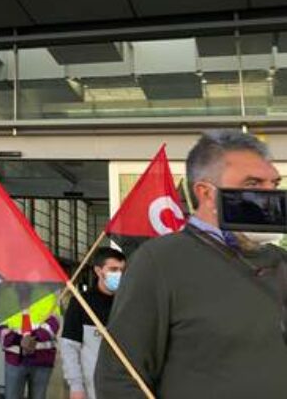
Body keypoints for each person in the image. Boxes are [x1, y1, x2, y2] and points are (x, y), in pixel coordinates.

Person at [96, 130, 287, 398]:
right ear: (206, 193)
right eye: (254, 184)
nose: (270, 197)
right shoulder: (160, 262)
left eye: (274, 185)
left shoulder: (279, 262)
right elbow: (119, 377)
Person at [60, 248, 127, 399]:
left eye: (122, 270)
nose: (120, 275)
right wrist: (76, 387)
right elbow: (69, 347)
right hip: (92, 389)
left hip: (124, 387)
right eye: (113, 269)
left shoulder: (129, 303)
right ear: (98, 271)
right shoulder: (81, 302)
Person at [0, 294, 61, 399]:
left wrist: (34, 337)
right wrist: (19, 340)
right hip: (15, 360)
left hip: (42, 359)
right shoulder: (6, 295)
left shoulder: (48, 294)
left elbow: (55, 322)